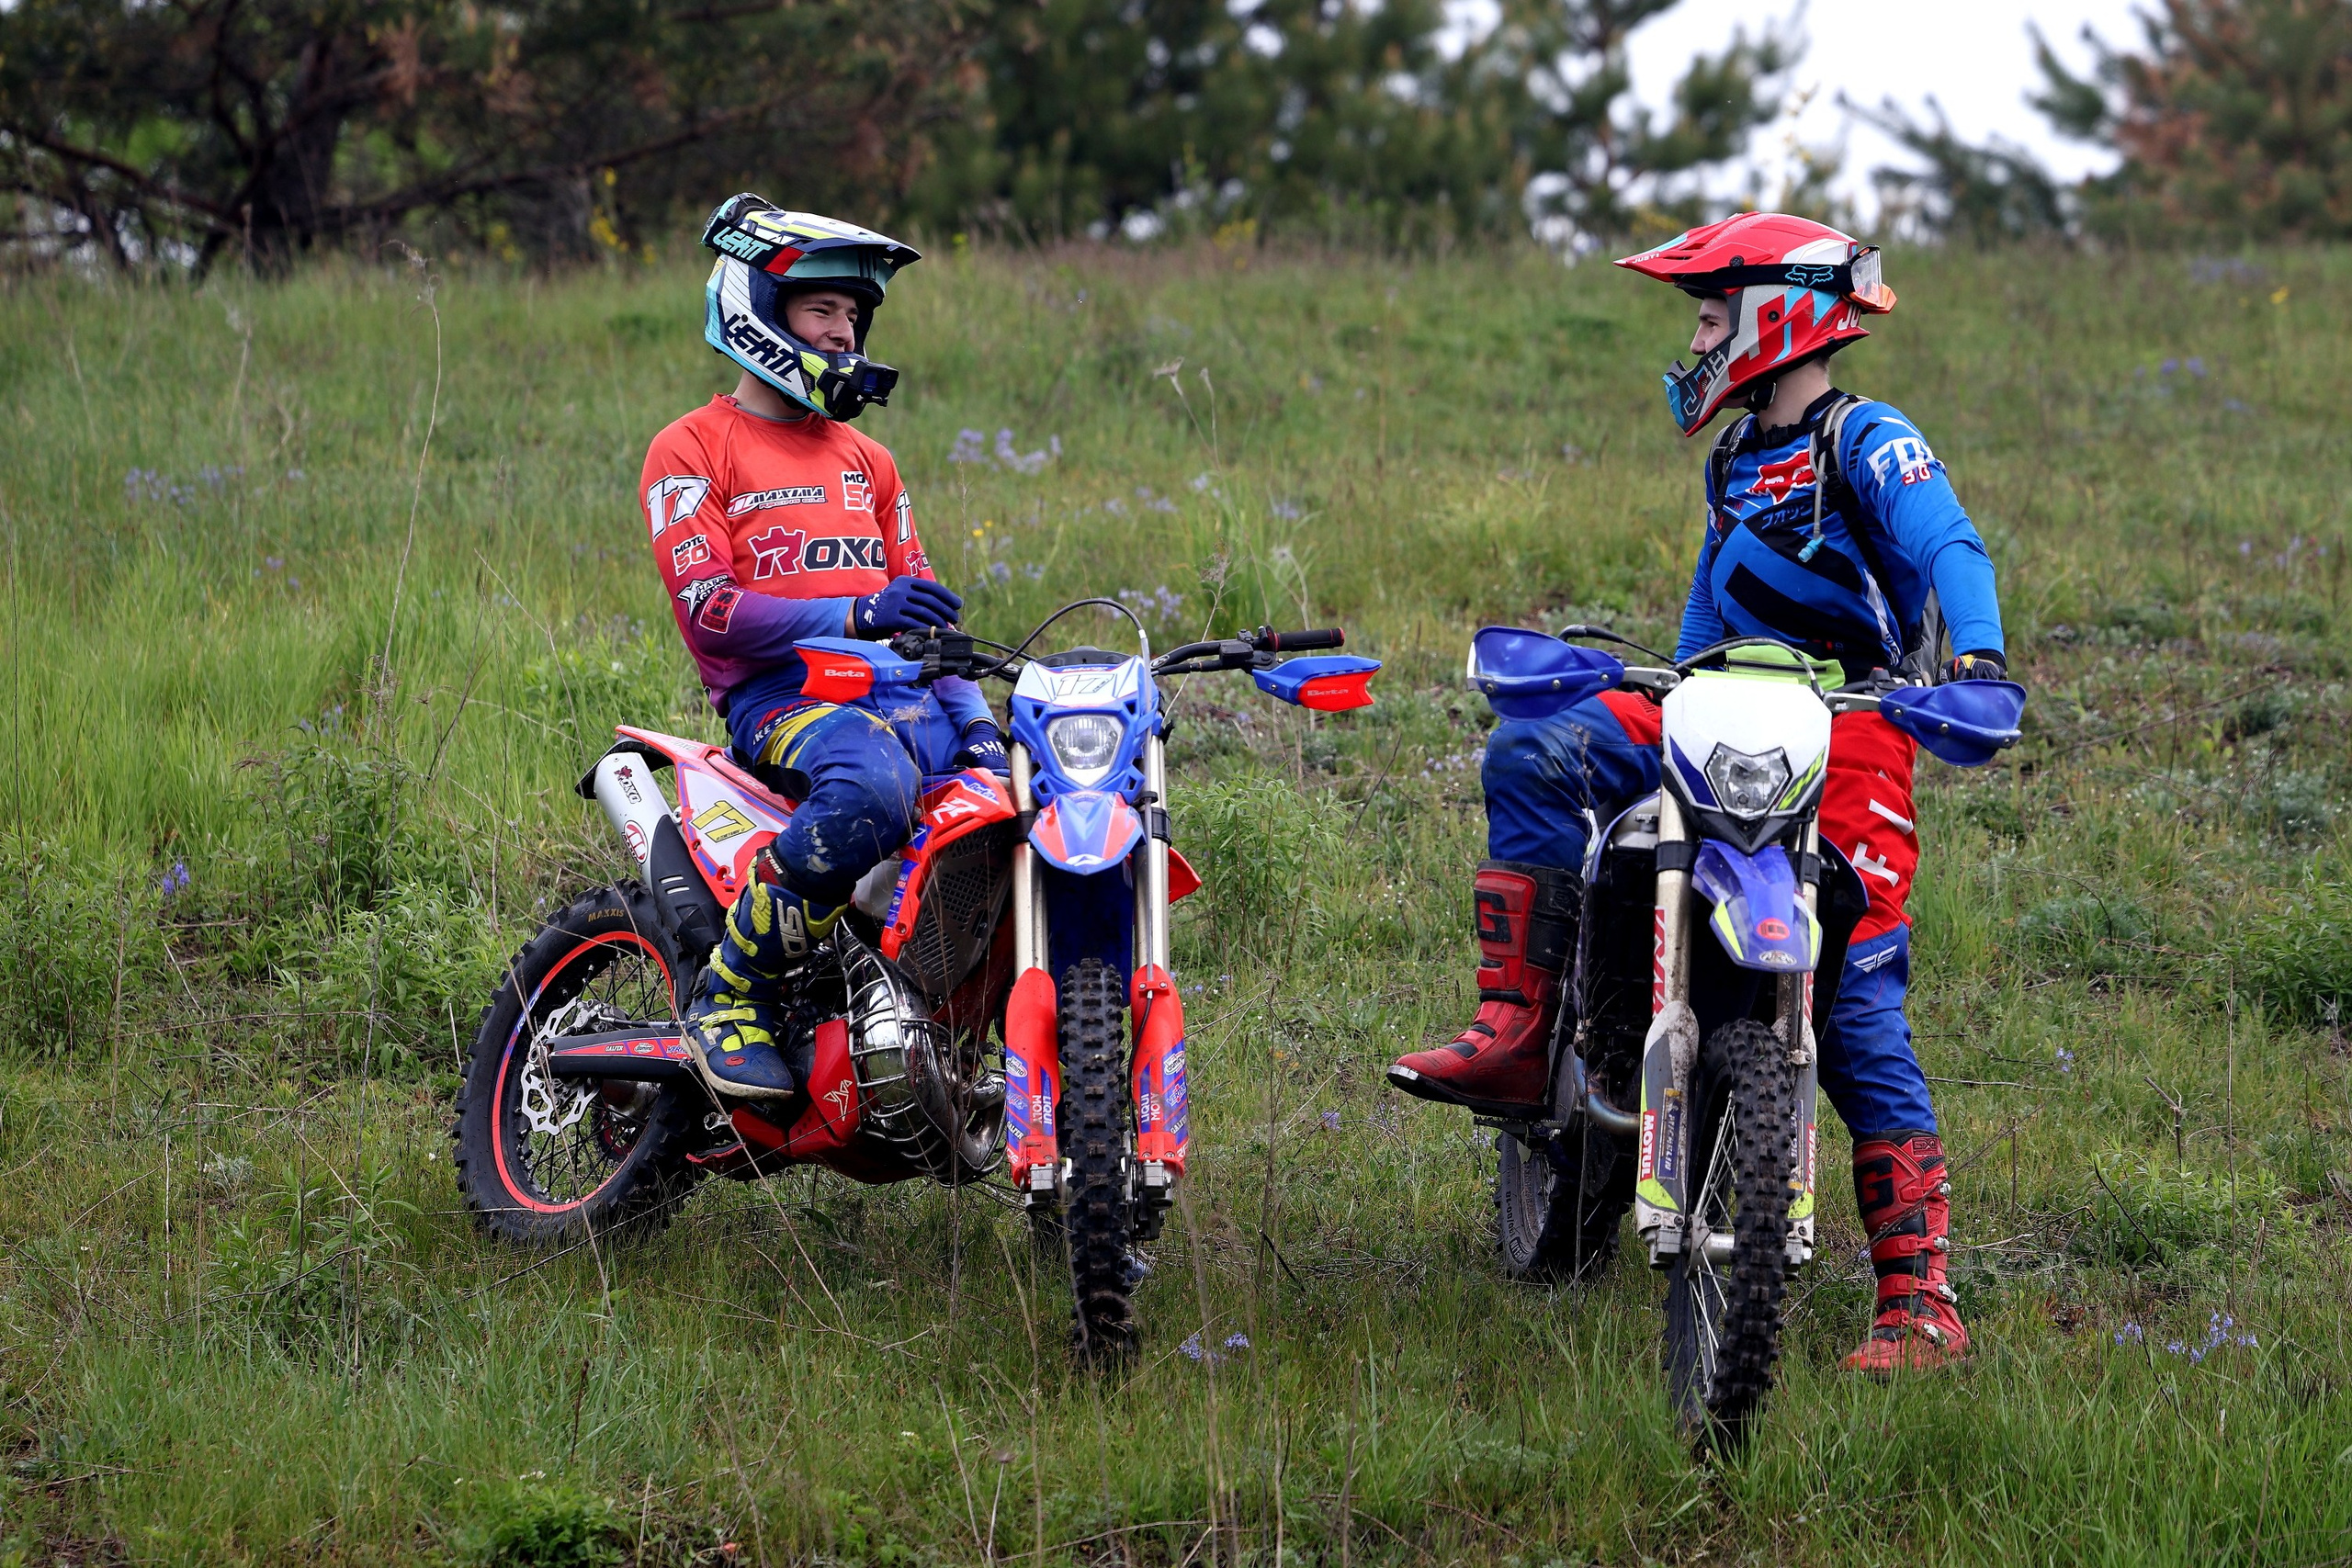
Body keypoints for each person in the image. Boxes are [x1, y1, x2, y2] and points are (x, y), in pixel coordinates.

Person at [1387, 212, 2008, 1375]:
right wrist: (1669, 679)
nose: (1699, 339)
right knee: (1537, 756)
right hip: (1715, 702)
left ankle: (1920, 1299)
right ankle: (1523, 1030)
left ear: (1777, 312)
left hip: (1852, 724)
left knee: (1856, 997)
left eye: (1713, 315)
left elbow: (1948, 546)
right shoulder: (1733, 457)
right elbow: (1708, 606)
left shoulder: (1866, 437)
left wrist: (1973, 657)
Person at [640, 194, 1007, 1102]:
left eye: (853, 314)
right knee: (875, 785)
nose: (844, 333)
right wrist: (859, 613)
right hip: (783, 703)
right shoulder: (690, 448)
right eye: (822, 311)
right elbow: (711, 614)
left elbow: (927, 627)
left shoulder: (870, 463)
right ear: (759, 311)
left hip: (903, 700)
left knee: (1033, 808)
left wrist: (980, 728)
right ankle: (734, 994)